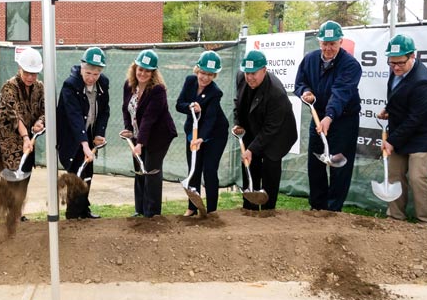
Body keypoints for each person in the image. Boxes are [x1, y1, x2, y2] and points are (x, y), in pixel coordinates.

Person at [378, 34, 427, 228]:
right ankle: (395, 217)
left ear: (412, 56)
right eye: (392, 63)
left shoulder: (423, 82)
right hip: (402, 132)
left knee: (417, 177)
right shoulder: (396, 71)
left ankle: (426, 222)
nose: (396, 67)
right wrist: (388, 109)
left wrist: (391, 141)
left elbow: (416, 119)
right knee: (394, 174)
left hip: (424, 135)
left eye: (400, 63)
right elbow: (398, 96)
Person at [294, 20, 361, 212]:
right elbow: (299, 83)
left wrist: (330, 117)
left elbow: (340, 93)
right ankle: (317, 206)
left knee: (339, 165)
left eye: (332, 43)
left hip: (343, 120)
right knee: (315, 162)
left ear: (341, 42)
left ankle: (333, 209)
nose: (328, 48)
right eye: (325, 43)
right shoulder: (310, 59)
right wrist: (305, 92)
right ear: (319, 42)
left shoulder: (350, 65)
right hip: (319, 115)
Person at [233, 50, 298, 211]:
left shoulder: (276, 93)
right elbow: (238, 103)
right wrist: (238, 123)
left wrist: (252, 149)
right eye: (247, 73)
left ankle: (268, 211)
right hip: (252, 126)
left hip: (278, 134)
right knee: (249, 165)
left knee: (270, 168)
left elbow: (271, 128)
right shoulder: (241, 77)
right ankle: (250, 207)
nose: (249, 77)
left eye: (253, 73)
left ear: (264, 70)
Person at [121, 49, 177, 218]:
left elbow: (149, 118)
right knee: (139, 170)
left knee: (151, 171)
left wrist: (139, 143)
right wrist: (129, 131)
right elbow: (126, 109)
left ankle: (152, 213)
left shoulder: (158, 90)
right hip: (139, 135)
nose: (143, 73)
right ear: (135, 68)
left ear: (153, 72)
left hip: (159, 136)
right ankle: (140, 210)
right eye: (140, 69)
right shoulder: (129, 85)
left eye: (147, 70)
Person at [0, 47, 46, 222]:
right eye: (27, 73)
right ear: (20, 69)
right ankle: (11, 213)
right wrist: (24, 138)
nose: (30, 77)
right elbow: (14, 115)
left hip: (28, 136)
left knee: (25, 172)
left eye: (34, 73)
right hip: (8, 137)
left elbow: (45, 110)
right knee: (13, 174)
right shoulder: (9, 86)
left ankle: (18, 212)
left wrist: (40, 123)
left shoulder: (39, 87)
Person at [57, 47, 110, 219]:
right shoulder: (70, 85)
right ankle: (72, 215)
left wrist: (99, 133)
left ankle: (84, 211)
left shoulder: (103, 84)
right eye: (88, 73)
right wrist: (85, 145)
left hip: (89, 134)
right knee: (76, 176)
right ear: (81, 67)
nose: (91, 78)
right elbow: (74, 118)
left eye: (96, 74)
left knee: (87, 174)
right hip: (71, 137)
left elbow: (104, 111)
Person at [175, 51, 229, 216]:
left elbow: (211, 119)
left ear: (214, 75)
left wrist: (201, 138)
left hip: (215, 135)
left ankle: (211, 211)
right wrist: (191, 105)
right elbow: (179, 104)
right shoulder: (190, 81)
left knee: (210, 170)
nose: (205, 77)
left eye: (210, 75)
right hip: (193, 132)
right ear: (197, 69)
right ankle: (192, 207)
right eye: (203, 72)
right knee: (194, 169)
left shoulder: (215, 92)